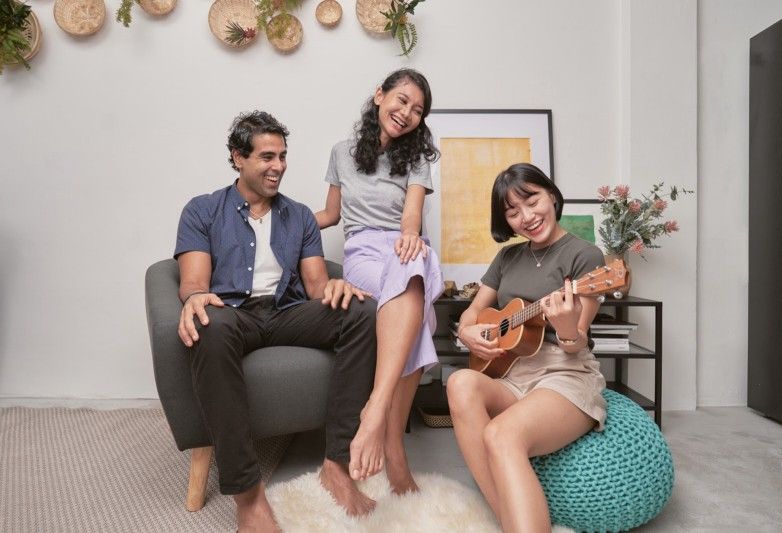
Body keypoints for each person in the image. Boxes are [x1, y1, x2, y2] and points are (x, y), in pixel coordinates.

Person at [174, 111, 379, 531]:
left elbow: (317, 286)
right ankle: (248, 496)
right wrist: (196, 298)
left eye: (283, 156)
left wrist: (336, 292)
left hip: (286, 312)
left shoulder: (300, 216)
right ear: (238, 157)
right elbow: (193, 281)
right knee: (208, 324)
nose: (279, 166)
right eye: (267, 156)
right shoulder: (203, 210)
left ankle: (336, 465)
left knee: (360, 311)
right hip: (232, 315)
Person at [446, 163, 607, 532]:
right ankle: (512, 521)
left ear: (550, 194)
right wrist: (466, 333)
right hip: (512, 372)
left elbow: (575, 340)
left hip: (564, 375)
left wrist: (566, 324)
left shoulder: (586, 257)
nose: (527, 217)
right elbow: (471, 314)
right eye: (512, 211)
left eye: (531, 200)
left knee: (500, 434)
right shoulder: (507, 258)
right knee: (458, 383)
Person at [315, 68, 444, 493]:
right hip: (364, 252)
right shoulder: (341, 152)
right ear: (379, 96)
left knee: (414, 265)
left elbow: (412, 215)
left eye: (417, 110)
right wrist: (282, 220)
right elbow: (331, 215)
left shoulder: (417, 158)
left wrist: (410, 238)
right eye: (401, 100)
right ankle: (394, 447)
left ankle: (374, 411)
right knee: (419, 318)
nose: (407, 113)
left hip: (406, 247)